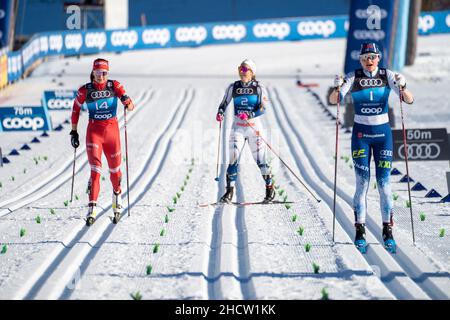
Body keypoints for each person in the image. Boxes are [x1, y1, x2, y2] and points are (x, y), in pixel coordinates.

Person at [329, 42, 414, 252]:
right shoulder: (353, 76)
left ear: (378, 58)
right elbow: (334, 100)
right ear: (360, 59)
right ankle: (360, 231)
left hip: (382, 135)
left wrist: (403, 86)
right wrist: (337, 86)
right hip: (361, 136)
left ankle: (388, 231)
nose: (369, 61)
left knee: (385, 185)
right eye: (365, 57)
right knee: (362, 184)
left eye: (373, 57)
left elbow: (409, 100)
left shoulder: (387, 74)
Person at [70, 58, 135, 226]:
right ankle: (92, 209)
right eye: (98, 73)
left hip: (112, 134)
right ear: (93, 72)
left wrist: (127, 102)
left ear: (108, 73)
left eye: (104, 73)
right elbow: (75, 109)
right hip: (94, 133)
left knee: (115, 172)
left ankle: (117, 197)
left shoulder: (115, 86)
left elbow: (131, 106)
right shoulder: (86, 90)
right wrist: (74, 131)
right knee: (95, 171)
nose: (101, 76)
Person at [215, 59, 275, 204]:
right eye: (240, 69)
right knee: (233, 159)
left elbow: (263, 108)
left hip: (254, 129)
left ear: (252, 72)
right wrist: (220, 112)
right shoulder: (233, 87)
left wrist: (250, 115)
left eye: (245, 69)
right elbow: (224, 102)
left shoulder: (258, 87)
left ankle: (269, 188)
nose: (242, 72)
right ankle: (229, 192)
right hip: (238, 128)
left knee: (260, 161)